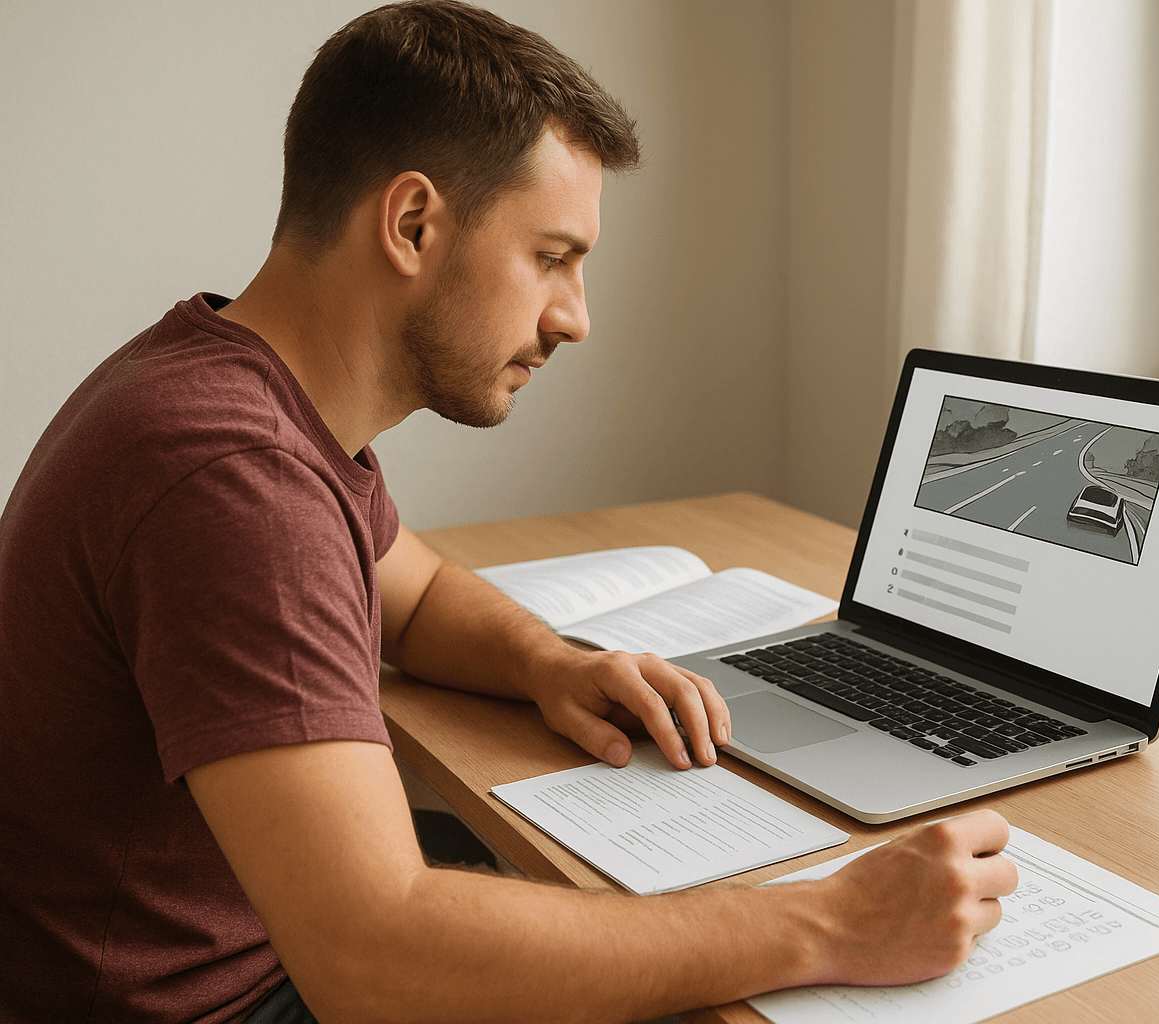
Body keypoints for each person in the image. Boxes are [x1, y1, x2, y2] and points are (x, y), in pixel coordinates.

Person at [0, 3, 1016, 1022]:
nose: (577, 317)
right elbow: (376, 958)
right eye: (552, 256)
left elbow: (418, 590)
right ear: (412, 225)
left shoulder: (229, 387)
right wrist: (830, 922)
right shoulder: (232, 476)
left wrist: (551, 664)